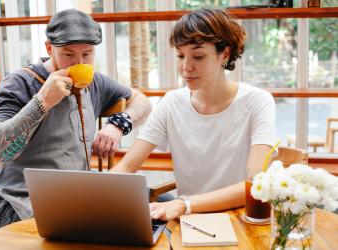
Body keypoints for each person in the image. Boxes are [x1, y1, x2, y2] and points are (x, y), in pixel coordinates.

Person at [0, 9, 151, 228]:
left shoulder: (95, 82)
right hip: (19, 200)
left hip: (75, 197)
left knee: (148, 214)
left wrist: (118, 125)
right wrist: (41, 102)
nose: (79, 62)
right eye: (68, 54)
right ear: (49, 49)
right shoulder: (18, 84)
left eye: (87, 54)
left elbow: (142, 102)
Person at [112, 9, 277, 221]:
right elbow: (127, 166)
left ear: (224, 54)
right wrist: (93, 196)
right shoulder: (171, 102)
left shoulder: (257, 101)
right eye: (181, 55)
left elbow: (257, 182)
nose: (186, 67)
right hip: (188, 221)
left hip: (239, 219)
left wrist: (183, 205)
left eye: (198, 56)